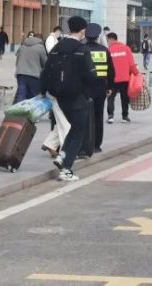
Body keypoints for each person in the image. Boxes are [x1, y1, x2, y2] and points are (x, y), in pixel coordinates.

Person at [42, 15, 98, 182]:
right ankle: (66, 168)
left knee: (72, 128)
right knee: (78, 131)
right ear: (82, 30)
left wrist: (43, 90)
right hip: (77, 96)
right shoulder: (82, 49)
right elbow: (91, 74)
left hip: (58, 96)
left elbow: (45, 70)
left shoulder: (57, 47)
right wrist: (90, 93)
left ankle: (63, 156)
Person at [81, 23, 114, 157]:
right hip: (101, 89)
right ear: (98, 36)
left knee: (84, 117)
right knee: (98, 117)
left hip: (84, 89)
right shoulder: (104, 50)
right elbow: (111, 71)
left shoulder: (81, 49)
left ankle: (85, 144)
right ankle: (96, 145)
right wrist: (110, 87)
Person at [107, 32, 138, 123]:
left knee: (111, 97)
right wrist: (136, 73)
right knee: (124, 97)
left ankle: (110, 116)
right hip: (125, 79)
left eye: (107, 40)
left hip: (112, 79)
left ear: (110, 39)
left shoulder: (108, 50)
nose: (107, 42)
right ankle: (125, 116)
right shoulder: (126, 48)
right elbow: (132, 64)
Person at [14, 30, 47, 102]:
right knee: (34, 95)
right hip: (34, 75)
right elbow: (45, 63)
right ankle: (30, 110)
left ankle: (17, 109)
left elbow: (17, 61)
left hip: (21, 73)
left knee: (21, 93)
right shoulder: (40, 47)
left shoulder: (22, 46)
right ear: (41, 40)